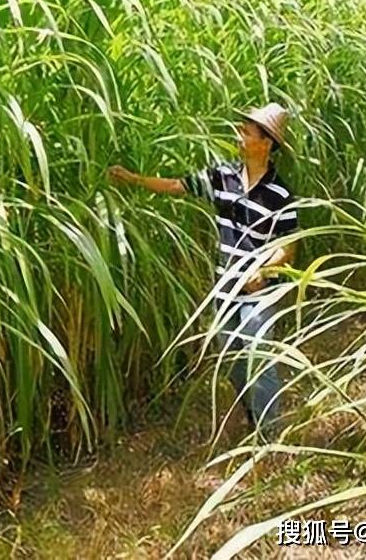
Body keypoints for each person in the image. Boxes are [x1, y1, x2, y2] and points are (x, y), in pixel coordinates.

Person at [107, 103, 298, 441]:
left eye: (247, 132)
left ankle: (272, 438)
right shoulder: (221, 176)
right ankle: (255, 416)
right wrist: (133, 179)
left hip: (259, 291)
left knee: (261, 357)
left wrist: (263, 270)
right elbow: (176, 186)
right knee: (235, 362)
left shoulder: (280, 195)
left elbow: (288, 248)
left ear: (266, 143)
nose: (239, 136)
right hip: (224, 287)